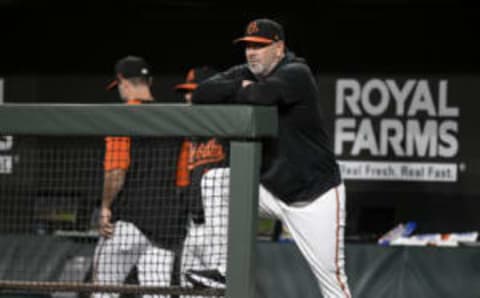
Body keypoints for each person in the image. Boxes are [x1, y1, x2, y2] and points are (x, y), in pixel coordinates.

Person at [191, 19, 352, 298]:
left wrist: (238, 88)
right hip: (270, 190)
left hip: (314, 198)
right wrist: (241, 85)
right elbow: (201, 93)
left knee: (333, 286)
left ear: (279, 48)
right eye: (248, 46)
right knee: (216, 181)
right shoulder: (247, 71)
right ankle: (223, 271)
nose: (251, 52)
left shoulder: (297, 72)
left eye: (260, 46)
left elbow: (263, 95)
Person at [92, 55, 186, 298]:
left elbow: (116, 171)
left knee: (103, 292)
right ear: (149, 81)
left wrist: (105, 207)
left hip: (127, 225)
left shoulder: (124, 116)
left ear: (122, 81)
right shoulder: (175, 118)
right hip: (165, 228)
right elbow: (182, 178)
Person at [174, 67, 230, 293]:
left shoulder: (229, 128)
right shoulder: (191, 135)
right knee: (188, 291)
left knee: (220, 290)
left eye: (193, 91)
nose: (188, 97)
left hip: (219, 229)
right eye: (186, 92)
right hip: (193, 227)